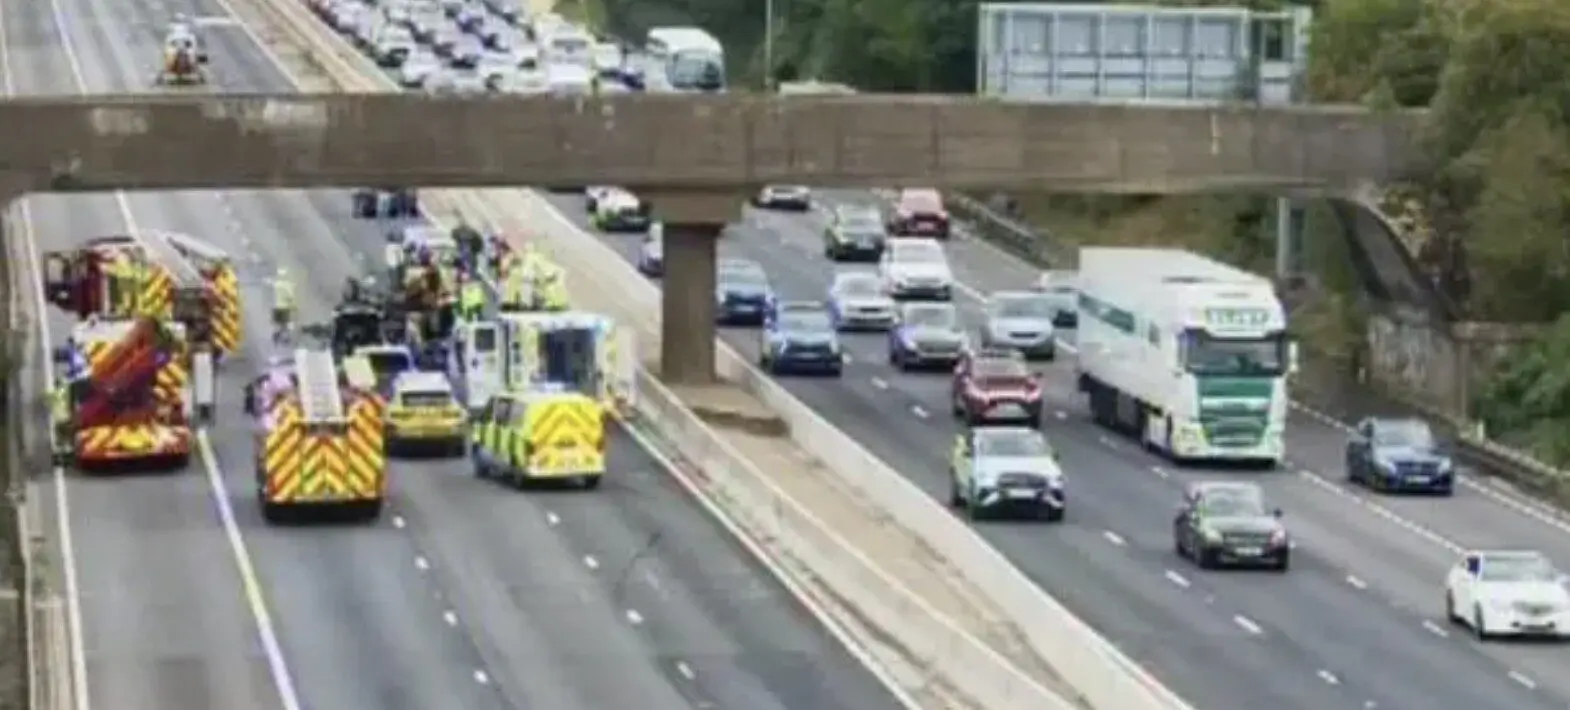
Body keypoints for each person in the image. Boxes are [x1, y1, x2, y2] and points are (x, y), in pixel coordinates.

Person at [272, 268, 295, 344]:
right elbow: (290, 297)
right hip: (285, 308)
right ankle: (284, 338)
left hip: (277, 307)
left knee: (278, 324)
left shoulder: (276, 284)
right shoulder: (288, 285)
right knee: (284, 325)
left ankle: (277, 336)